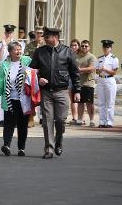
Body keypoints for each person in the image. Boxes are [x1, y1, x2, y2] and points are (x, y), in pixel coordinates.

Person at [30, 27, 81, 159]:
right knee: (47, 121)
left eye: (47, 37)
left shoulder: (68, 52)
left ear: (56, 37)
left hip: (62, 91)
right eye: (44, 37)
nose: (45, 39)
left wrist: (77, 90)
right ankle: (49, 149)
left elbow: (75, 73)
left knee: (60, 120)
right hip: (46, 92)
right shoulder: (39, 52)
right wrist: (38, 77)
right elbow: (32, 70)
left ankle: (59, 141)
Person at [0, 41, 31, 156]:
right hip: (10, 99)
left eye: (20, 49)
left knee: (23, 124)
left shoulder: (27, 61)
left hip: (24, 99)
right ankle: (6, 145)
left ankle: (21, 148)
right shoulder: (4, 65)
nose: (19, 51)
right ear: (10, 52)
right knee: (9, 123)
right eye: (16, 49)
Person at [24, 26, 45, 127]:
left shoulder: (46, 45)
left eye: (41, 33)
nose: (39, 35)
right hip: (32, 73)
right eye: (38, 33)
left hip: (44, 72)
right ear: (35, 34)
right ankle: (31, 117)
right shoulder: (29, 45)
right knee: (32, 95)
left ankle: (43, 118)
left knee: (44, 95)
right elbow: (26, 58)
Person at [95, 40, 119, 128]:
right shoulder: (100, 58)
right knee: (101, 102)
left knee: (110, 103)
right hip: (101, 80)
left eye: (108, 47)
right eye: (104, 47)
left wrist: (105, 70)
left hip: (110, 80)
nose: (106, 49)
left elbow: (114, 72)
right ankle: (102, 121)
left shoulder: (114, 58)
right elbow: (97, 71)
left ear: (110, 48)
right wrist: (100, 70)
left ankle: (109, 122)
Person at [76, 40, 97, 127]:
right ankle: (80, 120)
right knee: (80, 103)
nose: (84, 47)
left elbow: (91, 68)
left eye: (86, 46)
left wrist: (80, 69)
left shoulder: (91, 57)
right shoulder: (78, 57)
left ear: (89, 47)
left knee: (89, 103)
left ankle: (91, 120)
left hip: (88, 83)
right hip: (79, 83)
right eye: (82, 46)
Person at [68, 39, 81, 126]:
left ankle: (78, 118)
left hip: (81, 80)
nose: (73, 47)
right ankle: (74, 117)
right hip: (70, 79)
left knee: (77, 100)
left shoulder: (80, 56)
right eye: (72, 45)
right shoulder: (68, 55)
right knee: (71, 99)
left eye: (75, 45)